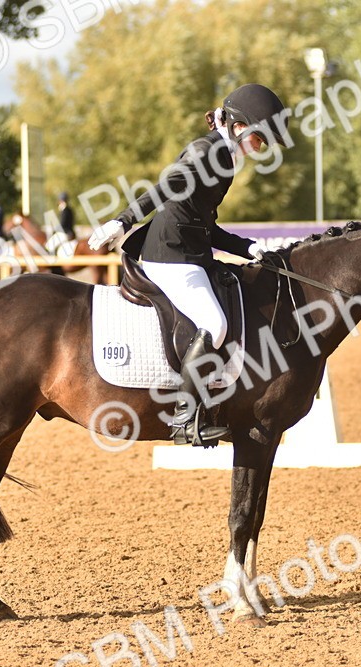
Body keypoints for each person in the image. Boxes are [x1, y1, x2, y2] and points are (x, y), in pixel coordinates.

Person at [88, 83, 289, 446]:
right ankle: (185, 415)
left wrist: (248, 247)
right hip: (170, 255)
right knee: (214, 323)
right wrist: (123, 220)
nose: (260, 149)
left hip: (192, 253)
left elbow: (205, 226)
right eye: (260, 140)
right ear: (240, 126)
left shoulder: (224, 159)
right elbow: (164, 189)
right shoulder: (205, 151)